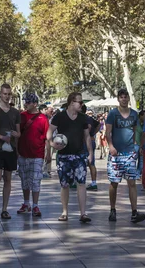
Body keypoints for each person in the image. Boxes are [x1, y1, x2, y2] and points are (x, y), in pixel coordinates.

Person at [45, 92, 93, 223]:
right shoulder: (59, 117)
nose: (82, 105)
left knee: (81, 183)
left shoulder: (83, 118)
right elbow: (49, 133)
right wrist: (51, 144)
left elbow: (87, 136)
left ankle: (83, 213)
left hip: (79, 155)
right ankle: (64, 212)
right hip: (63, 156)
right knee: (65, 184)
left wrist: (90, 153)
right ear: (72, 102)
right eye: (80, 102)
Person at [105, 89, 145, 223]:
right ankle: (112, 209)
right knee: (114, 183)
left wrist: (136, 146)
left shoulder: (134, 114)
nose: (123, 99)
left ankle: (134, 211)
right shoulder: (112, 114)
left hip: (129, 153)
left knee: (132, 183)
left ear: (128, 98)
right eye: (121, 97)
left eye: (125, 97)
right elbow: (108, 132)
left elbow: (135, 132)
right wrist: (111, 146)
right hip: (116, 154)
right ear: (118, 99)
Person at [0, 84, 21, 220]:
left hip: (11, 148)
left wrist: (15, 136)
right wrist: (1, 137)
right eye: (4, 94)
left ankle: (5, 209)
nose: (6, 96)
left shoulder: (15, 112)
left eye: (9, 94)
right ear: (0, 94)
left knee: (8, 178)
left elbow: (19, 133)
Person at [16, 94, 49, 217]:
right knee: (24, 180)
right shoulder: (21, 116)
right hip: (23, 153)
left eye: (28, 102)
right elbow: (18, 135)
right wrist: (16, 151)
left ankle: (35, 205)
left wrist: (48, 153)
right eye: (25, 102)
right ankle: (26, 203)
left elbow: (47, 137)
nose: (26, 104)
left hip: (37, 154)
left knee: (35, 180)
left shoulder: (43, 118)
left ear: (35, 104)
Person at [85, 108, 99, 191]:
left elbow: (89, 127)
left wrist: (88, 135)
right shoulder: (90, 118)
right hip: (92, 140)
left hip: (85, 141)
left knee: (81, 162)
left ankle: (79, 182)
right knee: (92, 163)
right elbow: (98, 125)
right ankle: (94, 182)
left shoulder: (83, 118)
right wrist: (93, 133)